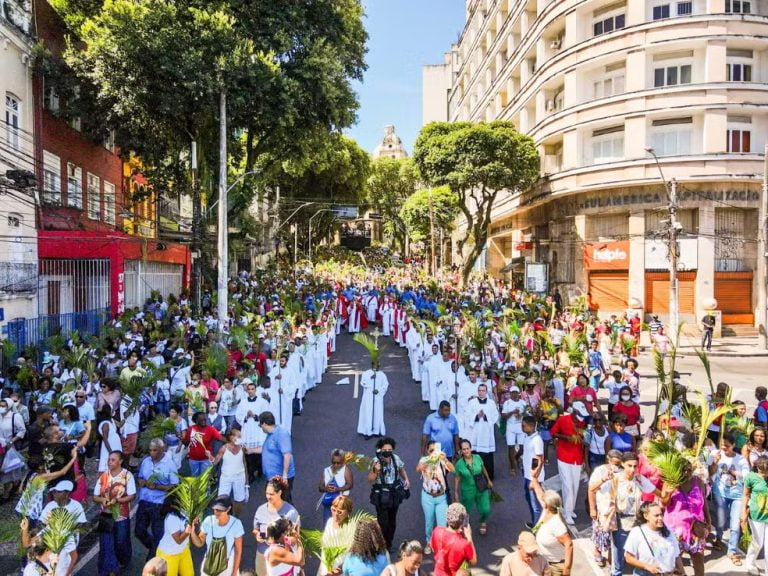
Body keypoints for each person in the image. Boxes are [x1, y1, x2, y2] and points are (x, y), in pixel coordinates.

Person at [661, 459, 711, 576]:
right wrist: (668, 493)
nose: (687, 473)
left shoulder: (698, 481)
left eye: (689, 470)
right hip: (675, 530)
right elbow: (664, 504)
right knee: (675, 564)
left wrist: (708, 521)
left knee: (699, 562)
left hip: (696, 529)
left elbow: (704, 503)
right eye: (683, 470)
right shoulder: (669, 482)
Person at [94, 450, 137, 576]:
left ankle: (123, 560)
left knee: (121, 541)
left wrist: (118, 500)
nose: (109, 462)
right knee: (107, 543)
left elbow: (132, 495)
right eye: (109, 459)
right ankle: (111, 567)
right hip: (106, 516)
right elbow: (95, 496)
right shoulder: (103, 476)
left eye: (113, 460)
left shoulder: (127, 476)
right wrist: (103, 500)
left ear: (120, 461)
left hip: (121, 516)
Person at [136, 438, 180, 561]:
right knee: (139, 531)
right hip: (144, 501)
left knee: (158, 533)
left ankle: (153, 559)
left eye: (155, 450)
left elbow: (175, 486)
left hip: (159, 504)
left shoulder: (170, 464)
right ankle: (155, 548)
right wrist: (142, 482)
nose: (152, 453)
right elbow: (139, 477)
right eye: (150, 450)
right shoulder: (146, 462)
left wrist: (157, 486)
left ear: (162, 450)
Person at [708, 432, 749, 565]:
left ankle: (732, 550)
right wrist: (714, 463)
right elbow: (710, 473)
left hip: (737, 495)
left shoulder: (741, 460)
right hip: (720, 493)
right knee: (720, 521)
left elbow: (747, 477)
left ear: (734, 445)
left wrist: (736, 473)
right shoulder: (715, 454)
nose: (724, 448)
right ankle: (718, 539)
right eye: (722, 445)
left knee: (735, 525)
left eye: (727, 446)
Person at [550, 401, 589, 525]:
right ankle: (567, 513)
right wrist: (564, 437)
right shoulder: (563, 420)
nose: (580, 419)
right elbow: (553, 433)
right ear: (574, 412)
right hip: (564, 456)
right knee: (567, 485)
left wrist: (582, 438)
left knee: (575, 486)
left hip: (577, 458)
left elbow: (584, 436)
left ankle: (570, 510)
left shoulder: (582, 422)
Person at [367, 437, 410, 550]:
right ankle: (381, 544)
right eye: (385, 449)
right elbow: (370, 479)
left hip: (394, 493)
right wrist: (375, 470)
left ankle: (388, 544)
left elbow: (401, 469)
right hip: (381, 494)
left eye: (390, 449)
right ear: (380, 450)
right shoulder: (375, 461)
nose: (387, 451)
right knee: (383, 522)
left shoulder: (396, 459)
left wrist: (406, 479)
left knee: (392, 520)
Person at [253, 477, 301, 576]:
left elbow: (296, 537)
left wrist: (280, 540)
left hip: (281, 557)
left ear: (279, 493)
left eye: (271, 494)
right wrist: (258, 534)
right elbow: (255, 529)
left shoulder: (291, 513)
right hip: (262, 554)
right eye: (267, 493)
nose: (268, 497)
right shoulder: (260, 510)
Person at [624, 502, 685, 576]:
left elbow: (676, 556)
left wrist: (683, 573)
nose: (660, 518)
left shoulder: (668, 531)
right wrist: (647, 566)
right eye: (656, 516)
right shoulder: (637, 532)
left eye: (661, 514)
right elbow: (628, 558)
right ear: (646, 516)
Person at [191, 495, 245, 576]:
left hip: (227, 566)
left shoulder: (236, 524)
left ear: (228, 509)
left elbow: (238, 550)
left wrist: (234, 572)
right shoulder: (208, 521)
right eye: (215, 509)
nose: (217, 512)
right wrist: (192, 531)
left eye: (220, 510)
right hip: (209, 564)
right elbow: (199, 543)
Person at [528, 480, 573, 576]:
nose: (541, 499)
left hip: (554, 566)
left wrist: (567, 569)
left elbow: (569, 545)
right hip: (543, 562)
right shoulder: (546, 511)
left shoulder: (557, 524)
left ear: (546, 504)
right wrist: (534, 479)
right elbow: (540, 493)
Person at [416, 441, 454, 552]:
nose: (433, 452)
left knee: (442, 523)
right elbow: (418, 469)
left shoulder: (442, 460)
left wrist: (445, 459)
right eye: (431, 450)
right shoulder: (424, 460)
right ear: (427, 451)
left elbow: (453, 469)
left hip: (441, 497)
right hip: (427, 497)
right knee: (429, 521)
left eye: (435, 450)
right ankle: (429, 542)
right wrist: (428, 461)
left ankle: (440, 543)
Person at [453, 439, 492, 535]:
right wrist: (456, 492)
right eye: (464, 449)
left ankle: (483, 521)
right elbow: (457, 479)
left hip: (481, 487)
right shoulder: (459, 464)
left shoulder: (478, 457)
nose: (466, 451)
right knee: (466, 510)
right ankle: (465, 525)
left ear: (471, 448)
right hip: (467, 490)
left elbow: (483, 469)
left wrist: (489, 480)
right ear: (461, 451)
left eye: (467, 448)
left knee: (486, 509)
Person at [430, 503, 476, 576]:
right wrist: (469, 537)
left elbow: (432, 548)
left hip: (437, 572)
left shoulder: (437, 530)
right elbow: (473, 560)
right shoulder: (464, 543)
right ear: (462, 522)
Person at [213, 427, 249, 517]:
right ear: (231, 437)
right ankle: (224, 517)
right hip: (226, 477)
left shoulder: (242, 448)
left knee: (239, 500)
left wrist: (247, 483)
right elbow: (215, 462)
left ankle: (235, 518)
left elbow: (244, 464)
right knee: (222, 499)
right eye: (237, 436)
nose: (239, 439)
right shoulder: (223, 449)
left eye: (240, 437)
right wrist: (209, 456)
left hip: (240, 477)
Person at [259, 411, 296, 500]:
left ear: (264, 423)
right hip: (273, 477)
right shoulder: (270, 435)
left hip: (280, 478)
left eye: (260, 425)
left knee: (283, 502)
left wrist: (284, 475)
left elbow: (287, 455)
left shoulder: (281, 434)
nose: (261, 428)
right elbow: (266, 450)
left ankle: (290, 514)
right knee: (274, 501)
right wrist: (249, 451)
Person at [155, 494, 194, 576]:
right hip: (168, 555)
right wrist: (187, 532)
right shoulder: (171, 518)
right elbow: (178, 540)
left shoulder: (185, 511)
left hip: (183, 550)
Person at [742, 456, 768, 574]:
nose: (765, 475)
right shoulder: (751, 477)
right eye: (762, 472)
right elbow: (746, 495)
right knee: (758, 543)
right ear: (757, 468)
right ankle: (750, 563)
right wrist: (743, 513)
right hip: (756, 515)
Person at [320, 495, 354, 576]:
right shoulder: (329, 521)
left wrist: (334, 573)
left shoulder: (350, 529)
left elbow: (350, 556)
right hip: (326, 569)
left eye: (340, 512)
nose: (335, 514)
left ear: (348, 512)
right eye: (333, 510)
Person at [319, 448, 354, 525]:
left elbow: (350, 484)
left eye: (339, 463)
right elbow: (320, 487)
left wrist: (338, 489)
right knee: (328, 524)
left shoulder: (346, 470)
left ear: (343, 461)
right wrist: (326, 488)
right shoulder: (326, 471)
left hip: (341, 504)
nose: (336, 465)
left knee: (341, 524)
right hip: (328, 505)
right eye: (334, 462)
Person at [521, 415, 545, 527]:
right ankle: (534, 523)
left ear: (531, 426)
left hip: (534, 478)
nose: (522, 427)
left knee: (536, 505)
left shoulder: (537, 440)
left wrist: (534, 479)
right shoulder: (527, 437)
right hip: (526, 475)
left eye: (523, 425)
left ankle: (538, 529)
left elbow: (539, 460)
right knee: (529, 500)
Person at [184, 411, 223, 477]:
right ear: (196, 420)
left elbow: (220, 438)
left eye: (205, 419)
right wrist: (181, 439)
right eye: (201, 420)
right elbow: (187, 442)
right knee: (195, 479)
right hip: (193, 459)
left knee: (204, 479)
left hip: (206, 459)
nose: (204, 421)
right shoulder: (191, 429)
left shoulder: (211, 429)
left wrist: (231, 440)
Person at [501, 385, 529, 475]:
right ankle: (512, 466)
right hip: (511, 427)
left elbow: (527, 414)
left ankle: (516, 458)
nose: (514, 394)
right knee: (511, 447)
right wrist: (512, 412)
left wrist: (522, 414)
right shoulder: (507, 403)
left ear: (518, 393)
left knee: (522, 448)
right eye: (512, 393)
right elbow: (503, 416)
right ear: (510, 394)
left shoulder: (523, 403)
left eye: (516, 392)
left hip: (520, 427)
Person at [357, 360, 389, 438]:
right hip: (368, 396)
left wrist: (379, 390)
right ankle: (368, 431)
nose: (377, 366)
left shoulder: (382, 375)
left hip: (377, 396)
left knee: (377, 412)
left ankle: (376, 430)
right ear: (372, 365)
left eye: (378, 364)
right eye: (375, 365)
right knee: (368, 413)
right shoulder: (366, 373)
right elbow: (362, 383)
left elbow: (385, 385)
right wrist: (371, 379)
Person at [97, 404, 122, 472]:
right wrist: (111, 452)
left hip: (115, 446)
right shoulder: (105, 424)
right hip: (109, 448)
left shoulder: (111, 420)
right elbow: (105, 439)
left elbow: (120, 424)